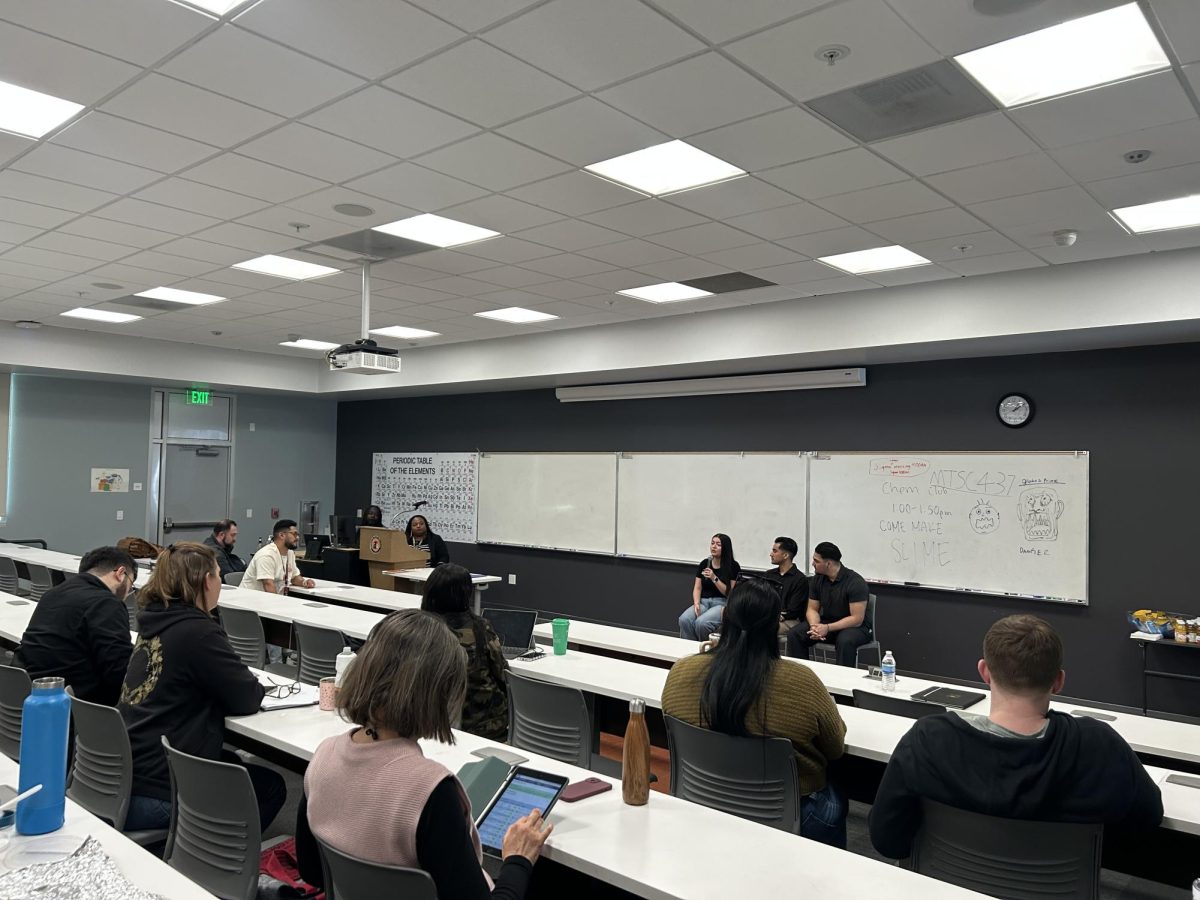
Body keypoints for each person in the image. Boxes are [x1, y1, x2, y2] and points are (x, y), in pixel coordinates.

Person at [296, 609, 551, 899]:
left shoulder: (323, 756)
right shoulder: (431, 791)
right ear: (440, 693)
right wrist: (518, 859)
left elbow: (312, 871)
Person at [869, 615, 1163, 860]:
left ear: (984, 672)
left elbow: (887, 840)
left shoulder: (928, 740)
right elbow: (1148, 817)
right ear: (1059, 681)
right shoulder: (1098, 746)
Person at [663, 579, 848, 847]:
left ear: (724, 618)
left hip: (701, 799)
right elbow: (835, 748)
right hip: (788, 815)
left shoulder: (681, 673)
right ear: (776, 627)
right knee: (838, 792)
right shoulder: (802, 682)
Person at [119, 542, 286, 831]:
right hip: (161, 787)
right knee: (269, 786)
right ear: (206, 580)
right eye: (219, 575)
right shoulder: (197, 631)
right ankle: (211, 860)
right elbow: (247, 697)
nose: (221, 583)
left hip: (127, 772)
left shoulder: (153, 622)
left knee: (231, 760)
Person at [14, 546, 136, 706]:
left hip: (27, 695)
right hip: (72, 706)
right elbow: (118, 671)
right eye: (131, 584)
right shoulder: (107, 604)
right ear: (120, 573)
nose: (128, 592)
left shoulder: (53, 593)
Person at [421, 564, 509, 741]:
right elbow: (503, 674)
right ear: (465, 594)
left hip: (430, 721)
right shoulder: (480, 628)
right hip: (484, 724)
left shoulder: (420, 629)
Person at [785, 541, 871, 666]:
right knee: (795, 634)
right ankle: (803, 678)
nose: (813, 564)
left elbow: (856, 619)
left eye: (816, 561)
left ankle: (844, 681)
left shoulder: (855, 582)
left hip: (855, 627)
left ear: (828, 564)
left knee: (845, 640)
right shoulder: (818, 579)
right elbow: (812, 609)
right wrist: (815, 627)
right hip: (828, 622)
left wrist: (827, 628)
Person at [678, 533, 739, 641]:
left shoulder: (733, 566)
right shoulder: (705, 563)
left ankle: (705, 652)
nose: (713, 547)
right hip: (703, 602)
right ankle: (690, 651)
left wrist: (714, 578)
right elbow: (697, 587)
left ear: (725, 548)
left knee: (701, 623)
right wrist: (696, 603)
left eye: (718, 544)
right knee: (684, 619)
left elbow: (730, 593)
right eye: (712, 543)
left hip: (722, 604)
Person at [240, 518, 315, 593]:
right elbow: (268, 585)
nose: (297, 538)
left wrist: (304, 582)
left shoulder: (290, 553)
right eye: (294, 534)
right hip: (250, 600)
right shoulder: (266, 555)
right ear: (282, 535)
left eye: (297, 534)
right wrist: (279, 603)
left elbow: (294, 577)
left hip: (269, 599)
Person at [761, 536, 808, 637]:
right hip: (767, 616)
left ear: (785, 555)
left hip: (789, 620)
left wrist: (776, 615)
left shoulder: (800, 579)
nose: (771, 554)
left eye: (775, 551)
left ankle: (764, 653)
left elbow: (794, 610)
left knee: (762, 629)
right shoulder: (768, 575)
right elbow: (760, 598)